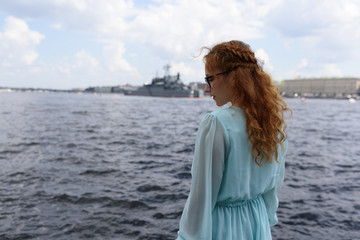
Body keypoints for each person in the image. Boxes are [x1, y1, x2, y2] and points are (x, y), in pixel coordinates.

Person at [176, 40, 291, 240]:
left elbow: (202, 198)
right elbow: (273, 187)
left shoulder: (217, 123)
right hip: (257, 221)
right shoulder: (273, 123)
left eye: (209, 78)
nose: (206, 88)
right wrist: (263, 219)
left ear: (232, 77)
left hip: (222, 227)